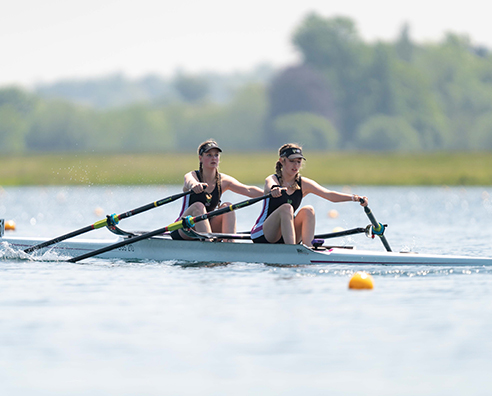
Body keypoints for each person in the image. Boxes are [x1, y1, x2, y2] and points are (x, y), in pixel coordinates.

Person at [251, 143, 368, 247]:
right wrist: (275, 189)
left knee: (308, 210)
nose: (296, 165)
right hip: (264, 234)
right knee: (286, 208)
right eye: (292, 161)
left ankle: (308, 249)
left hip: (286, 233)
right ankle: (292, 252)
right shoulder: (272, 179)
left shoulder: (304, 183)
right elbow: (270, 184)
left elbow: (329, 195)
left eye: (298, 161)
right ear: (282, 161)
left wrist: (354, 198)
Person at [171, 139, 264, 240]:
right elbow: (189, 181)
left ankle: (230, 247)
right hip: (185, 228)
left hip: (208, 227)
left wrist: (270, 193)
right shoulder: (192, 176)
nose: (213, 158)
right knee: (198, 206)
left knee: (228, 207)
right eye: (209, 155)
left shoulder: (223, 181)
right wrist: (195, 185)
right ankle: (210, 246)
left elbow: (248, 190)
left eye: (216, 155)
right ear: (200, 158)